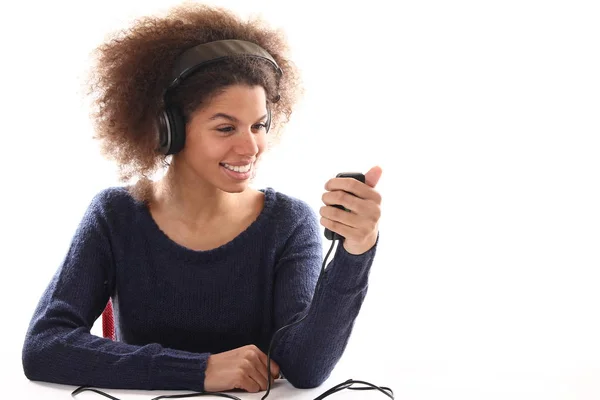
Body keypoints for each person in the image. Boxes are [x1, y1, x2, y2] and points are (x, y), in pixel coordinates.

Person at [21, 3, 383, 394]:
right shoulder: (116, 216)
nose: (251, 147)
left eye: (258, 126)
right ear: (168, 129)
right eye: (226, 127)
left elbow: (305, 368)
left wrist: (356, 251)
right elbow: (45, 346)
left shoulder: (286, 222)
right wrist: (199, 370)